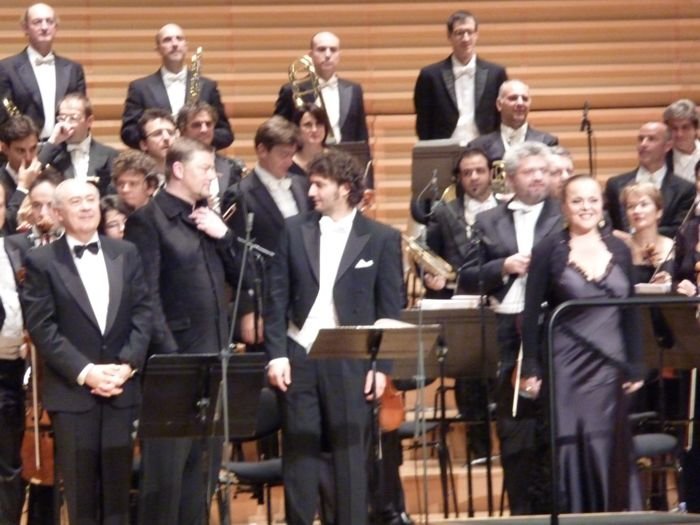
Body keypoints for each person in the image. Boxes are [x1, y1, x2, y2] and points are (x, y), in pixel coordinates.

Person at [265, 149, 404, 525]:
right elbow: (275, 297)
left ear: (345, 188)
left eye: (318, 184)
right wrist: (277, 354)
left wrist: (381, 368)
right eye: (311, 183)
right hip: (300, 355)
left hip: (352, 359)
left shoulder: (381, 238)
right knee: (300, 453)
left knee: (349, 458)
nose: (310, 191)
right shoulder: (294, 230)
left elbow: (390, 311)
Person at [124, 137, 250, 525]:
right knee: (165, 481)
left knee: (202, 476)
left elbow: (244, 277)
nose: (213, 176)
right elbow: (146, 297)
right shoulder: (148, 219)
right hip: (174, 366)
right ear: (178, 170)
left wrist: (224, 234)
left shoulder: (206, 217)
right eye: (206, 169)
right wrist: (171, 360)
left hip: (214, 362)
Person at [22, 179, 152, 525]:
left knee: (119, 496)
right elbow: (42, 328)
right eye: (76, 201)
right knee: (80, 497)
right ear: (59, 213)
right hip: (73, 392)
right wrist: (87, 372)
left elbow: (143, 312)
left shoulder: (126, 252)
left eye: (91, 199)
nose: (85, 206)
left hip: (121, 388)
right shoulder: (41, 261)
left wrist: (127, 365)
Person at [521, 174, 644, 513]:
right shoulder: (548, 249)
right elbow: (531, 313)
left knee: (609, 447)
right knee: (572, 446)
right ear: (563, 206)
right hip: (566, 367)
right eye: (577, 200)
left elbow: (631, 311)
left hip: (611, 368)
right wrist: (531, 366)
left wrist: (636, 362)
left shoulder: (620, 247)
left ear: (603, 205)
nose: (586, 207)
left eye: (592, 200)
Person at [458, 141, 562, 515]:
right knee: (514, 424)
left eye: (543, 171)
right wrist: (503, 266)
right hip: (506, 328)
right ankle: (523, 513)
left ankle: (558, 509)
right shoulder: (488, 220)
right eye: (529, 171)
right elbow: (466, 277)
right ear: (512, 176)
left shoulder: (565, 213)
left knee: (553, 421)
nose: (538, 177)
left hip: (555, 326)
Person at [120, 23, 233, 150]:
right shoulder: (140, 88)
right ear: (158, 49)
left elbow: (225, 133)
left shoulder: (207, 86)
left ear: (186, 46)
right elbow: (128, 132)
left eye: (179, 39)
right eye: (167, 40)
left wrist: (197, 137)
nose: (174, 44)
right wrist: (157, 139)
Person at [413, 10, 507, 142]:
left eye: (470, 32)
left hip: (485, 149)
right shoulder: (430, 76)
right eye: (459, 33)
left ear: (477, 35)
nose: (466, 38)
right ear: (449, 36)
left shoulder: (496, 73)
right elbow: (423, 121)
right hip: (443, 148)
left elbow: (502, 116)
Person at [0, 3, 86, 139]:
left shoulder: (73, 69)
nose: (44, 27)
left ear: (56, 27)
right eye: (37, 22)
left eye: (50, 21)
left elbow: (81, 113)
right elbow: (4, 114)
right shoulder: (6, 68)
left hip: (64, 150)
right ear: (25, 28)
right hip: (22, 149)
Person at [274, 31, 368, 143]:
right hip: (305, 158)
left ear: (339, 55)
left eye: (333, 50)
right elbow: (278, 133)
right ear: (310, 55)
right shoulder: (291, 90)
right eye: (321, 49)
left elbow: (361, 133)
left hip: (344, 158)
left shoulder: (354, 90)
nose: (328, 55)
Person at [604, 122, 695, 238]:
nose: (643, 144)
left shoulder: (685, 189)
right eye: (641, 139)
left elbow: (680, 229)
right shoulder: (615, 184)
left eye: (651, 139)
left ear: (667, 146)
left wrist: (637, 237)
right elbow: (607, 224)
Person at [36, 93, 118, 195]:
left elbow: (114, 194)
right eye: (62, 118)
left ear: (89, 121)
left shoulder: (110, 154)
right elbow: (32, 176)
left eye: (73, 118)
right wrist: (53, 141)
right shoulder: (49, 154)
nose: (66, 125)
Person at [468, 80, 558, 163]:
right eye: (513, 98)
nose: (520, 103)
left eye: (525, 99)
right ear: (499, 104)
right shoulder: (478, 146)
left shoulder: (547, 143)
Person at [176, 101, 245, 210]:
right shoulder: (173, 166)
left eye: (208, 124)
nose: (204, 130)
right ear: (182, 130)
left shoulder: (231, 167)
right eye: (196, 125)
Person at [618, 182, 675, 284]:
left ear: (659, 211)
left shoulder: (674, 247)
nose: (636, 210)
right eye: (630, 206)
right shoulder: (620, 249)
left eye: (643, 204)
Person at [663, 99, 700, 183]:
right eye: (674, 128)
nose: (680, 134)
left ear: (696, 128)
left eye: (685, 127)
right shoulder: (660, 160)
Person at [137, 108, 177, 176]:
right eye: (157, 134)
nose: (166, 137)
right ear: (144, 144)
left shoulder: (192, 173)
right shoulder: (134, 178)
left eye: (170, 133)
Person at [290, 103, 328, 176]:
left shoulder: (337, 160)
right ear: (297, 129)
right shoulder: (288, 162)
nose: (314, 129)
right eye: (308, 125)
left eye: (319, 124)